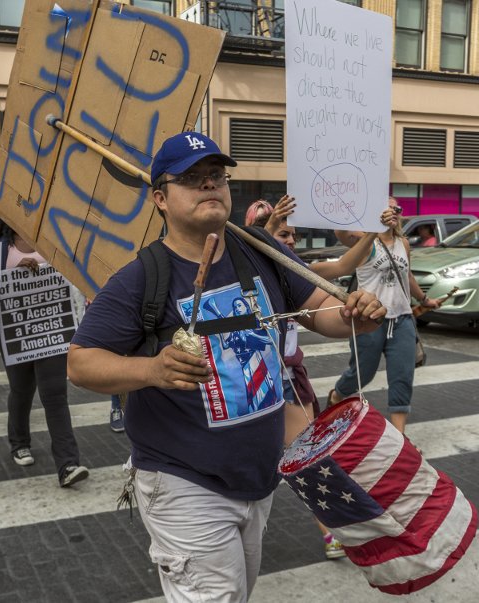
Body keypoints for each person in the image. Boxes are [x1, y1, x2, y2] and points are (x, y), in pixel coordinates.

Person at [67, 132, 385, 602]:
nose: (209, 184)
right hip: (183, 481)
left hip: (259, 477)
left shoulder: (261, 250)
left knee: (236, 592)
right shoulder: (141, 278)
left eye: (216, 175)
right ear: (160, 198)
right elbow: (80, 363)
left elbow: (319, 311)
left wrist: (357, 315)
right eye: (191, 178)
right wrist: (152, 371)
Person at [245, 198, 395, 560]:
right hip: (251, 382)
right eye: (282, 233)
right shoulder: (242, 274)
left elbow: (343, 265)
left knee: (311, 457)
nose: (290, 241)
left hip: (289, 379)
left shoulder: (294, 271)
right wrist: (266, 232)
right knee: (268, 460)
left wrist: (373, 232)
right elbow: (259, 248)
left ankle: (335, 530)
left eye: (293, 235)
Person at [328, 198, 440, 438]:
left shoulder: (403, 243)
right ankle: (337, 395)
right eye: (386, 208)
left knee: (402, 377)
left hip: (402, 319)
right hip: (370, 321)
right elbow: (340, 232)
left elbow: (407, 275)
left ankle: (400, 439)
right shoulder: (366, 241)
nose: (392, 212)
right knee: (362, 373)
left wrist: (424, 299)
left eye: (396, 208)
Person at [0, 219, 89, 487]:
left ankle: (68, 463)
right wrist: (14, 274)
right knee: (21, 391)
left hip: (52, 332)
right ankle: (19, 442)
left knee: (55, 395)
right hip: (15, 334)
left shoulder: (52, 240)